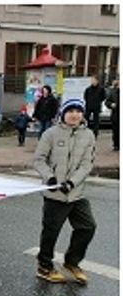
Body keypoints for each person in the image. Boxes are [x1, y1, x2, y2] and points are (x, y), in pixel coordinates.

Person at [32, 97, 97, 285]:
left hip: (76, 193)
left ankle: (72, 262)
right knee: (51, 232)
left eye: (78, 111)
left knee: (87, 227)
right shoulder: (51, 134)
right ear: (63, 113)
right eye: (70, 111)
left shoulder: (88, 135)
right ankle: (44, 267)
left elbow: (87, 164)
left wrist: (71, 182)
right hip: (54, 194)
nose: (74, 114)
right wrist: (50, 178)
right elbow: (39, 160)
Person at [108, 78, 119, 151]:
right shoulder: (113, 92)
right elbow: (107, 101)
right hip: (115, 114)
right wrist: (111, 104)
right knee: (116, 131)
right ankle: (116, 145)